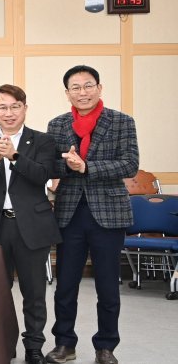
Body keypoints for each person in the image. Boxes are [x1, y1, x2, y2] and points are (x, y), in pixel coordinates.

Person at [45, 65, 138, 364]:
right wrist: (67, 165)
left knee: (108, 286)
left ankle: (106, 346)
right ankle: (64, 343)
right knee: (65, 285)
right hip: (70, 213)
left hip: (109, 213)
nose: (82, 92)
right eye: (75, 87)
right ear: (67, 93)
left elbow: (130, 164)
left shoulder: (121, 122)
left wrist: (87, 167)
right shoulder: (57, 125)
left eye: (88, 86)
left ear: (99, 88)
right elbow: (50, 165)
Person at [0, 85, 61, 364]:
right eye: (2, 107)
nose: (8, 113)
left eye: (14, 107)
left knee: (34, 292)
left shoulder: (42, 140)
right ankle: (3, 344)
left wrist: (15, 156)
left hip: (31, 225)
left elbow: (43, 174)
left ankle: (34, 346)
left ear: (24, 108)